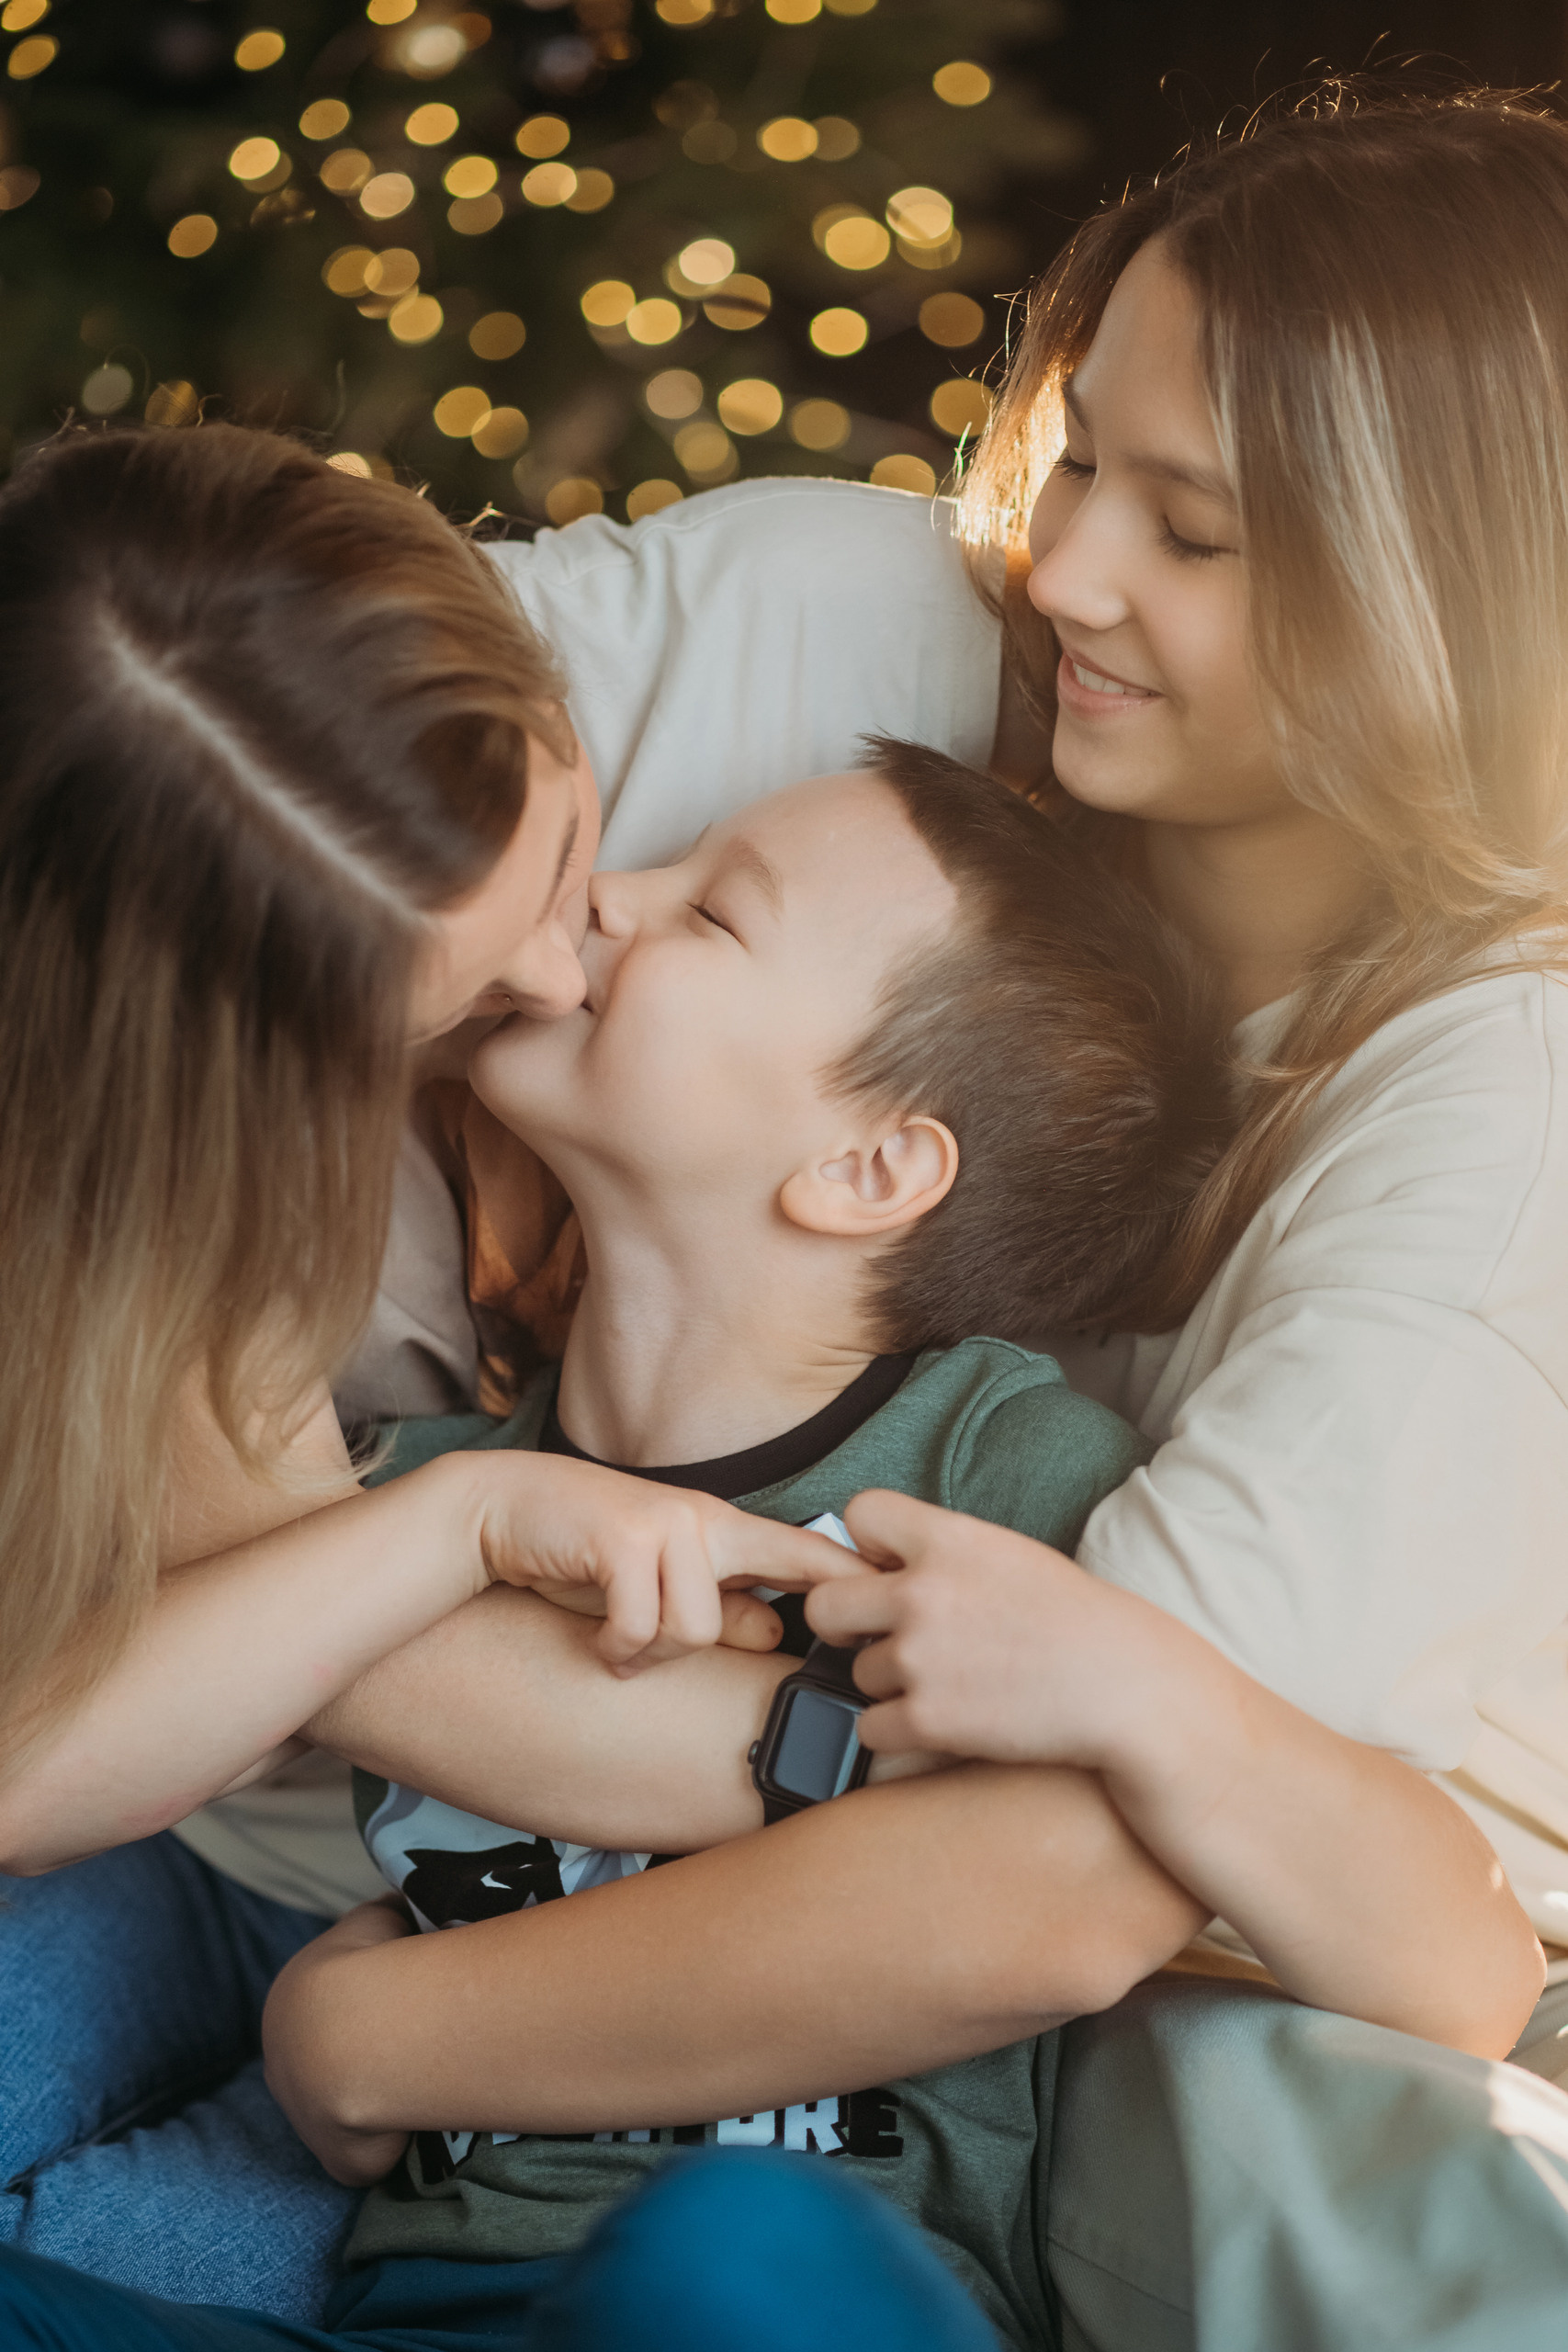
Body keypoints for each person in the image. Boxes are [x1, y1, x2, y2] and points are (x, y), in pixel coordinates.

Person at [276, 83, 1568, 2349]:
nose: (1057, 571)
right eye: (1079, 460)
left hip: (1127, 2082)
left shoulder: (1490, 1101)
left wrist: (376, 2038)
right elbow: (208, 742)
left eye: (1194, 529)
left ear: (1446, 601)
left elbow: (1068, 1850)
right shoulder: (839, 630)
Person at [0, 750, 1541, 2349]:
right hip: (432, 2306)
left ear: (869, 1167)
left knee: (721, 2248)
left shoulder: (1000, 1476)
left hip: (808, 2287)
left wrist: (1154, 1694)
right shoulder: (444, 1490)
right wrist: (441, 1542)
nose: (606, 898)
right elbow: (52, 1748)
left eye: (711, 912)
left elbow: (1463, 1970)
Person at [0, 422, 847, 2319]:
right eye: (462, 998)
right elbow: (44, 1749)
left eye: (560, 857)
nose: (566, 968)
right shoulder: (124, 1141)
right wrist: (469, 1509)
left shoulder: (770, 659)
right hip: (227, 1849)